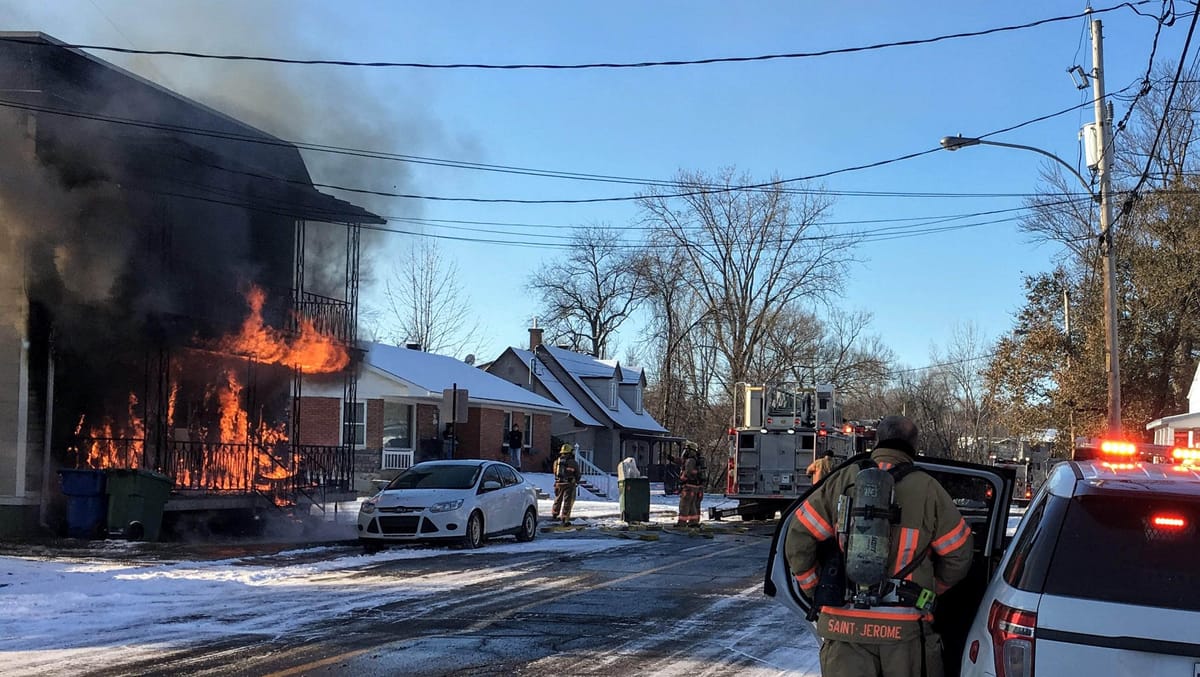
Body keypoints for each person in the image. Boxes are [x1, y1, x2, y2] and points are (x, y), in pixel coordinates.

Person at [784, 415, 973, 677]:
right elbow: (959, 556)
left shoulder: (844, 479)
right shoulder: (929, 489)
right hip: (904, 632)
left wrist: (815, 587)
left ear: (878, 440)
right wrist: (929, 590)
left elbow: (798, 536)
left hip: (844, 629)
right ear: (913, 445)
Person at [675, 441, 704, 527]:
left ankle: (682, 523)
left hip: (688, 486)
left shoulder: (690, 460)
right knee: (692, 505)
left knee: (684, 504)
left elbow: (688, 472)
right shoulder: (695, 460)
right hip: (695, 487)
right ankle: (693, 522)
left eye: (686, 450)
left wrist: (682, 479)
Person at [551, 443, 580, 525]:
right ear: (570, 452)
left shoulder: (557, 462)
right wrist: (576, 481)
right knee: (567, 501)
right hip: (569, 484)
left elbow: (554, 472)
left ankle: (554, 514)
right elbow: (578, 473)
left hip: (558, 483)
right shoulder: (573, 462)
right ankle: (564, 517)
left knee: (558, 499)